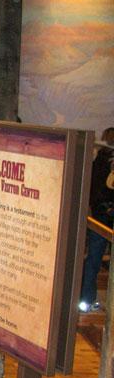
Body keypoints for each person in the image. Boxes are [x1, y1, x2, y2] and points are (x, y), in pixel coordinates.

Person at [79, 127, 114, 312]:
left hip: (102, 212)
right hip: (102, 214)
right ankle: (86, 300)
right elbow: (96, 189)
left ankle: (86, 300)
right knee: (93, 257)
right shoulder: (101, 160)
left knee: (93, 257)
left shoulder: (100, 159)